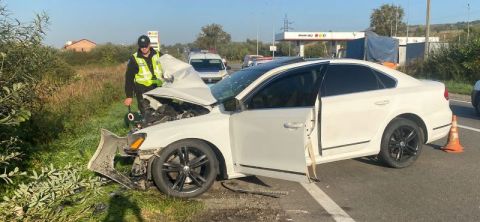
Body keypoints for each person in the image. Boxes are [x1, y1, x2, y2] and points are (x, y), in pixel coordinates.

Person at [124, 35, 163, 115]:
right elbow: (129, 78)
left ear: (149, 44)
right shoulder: (134, 59)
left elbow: (169, 68)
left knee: (163, 111)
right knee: (147, 115)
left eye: (145, 46)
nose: (144, 48)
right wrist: (129, 96)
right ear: (139, 46)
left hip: (159, 89)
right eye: (142, 46)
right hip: (143, 92)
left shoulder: (158, 55)